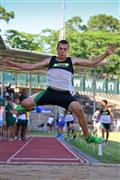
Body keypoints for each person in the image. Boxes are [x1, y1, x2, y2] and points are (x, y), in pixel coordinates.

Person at [3, 40, 116, 144]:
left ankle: (88, 137)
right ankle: (29, 107)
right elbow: (31, 67)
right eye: (60, 49)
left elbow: (92, 62)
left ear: (67, 50)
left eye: (65, 49)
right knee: (24, 104)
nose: (62, 51)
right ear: (57, 49)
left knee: (79, 110)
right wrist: (14, 64)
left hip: (64, 94)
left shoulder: (72, 60)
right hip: (50, 92)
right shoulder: (50, 60)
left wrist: (106, 53)